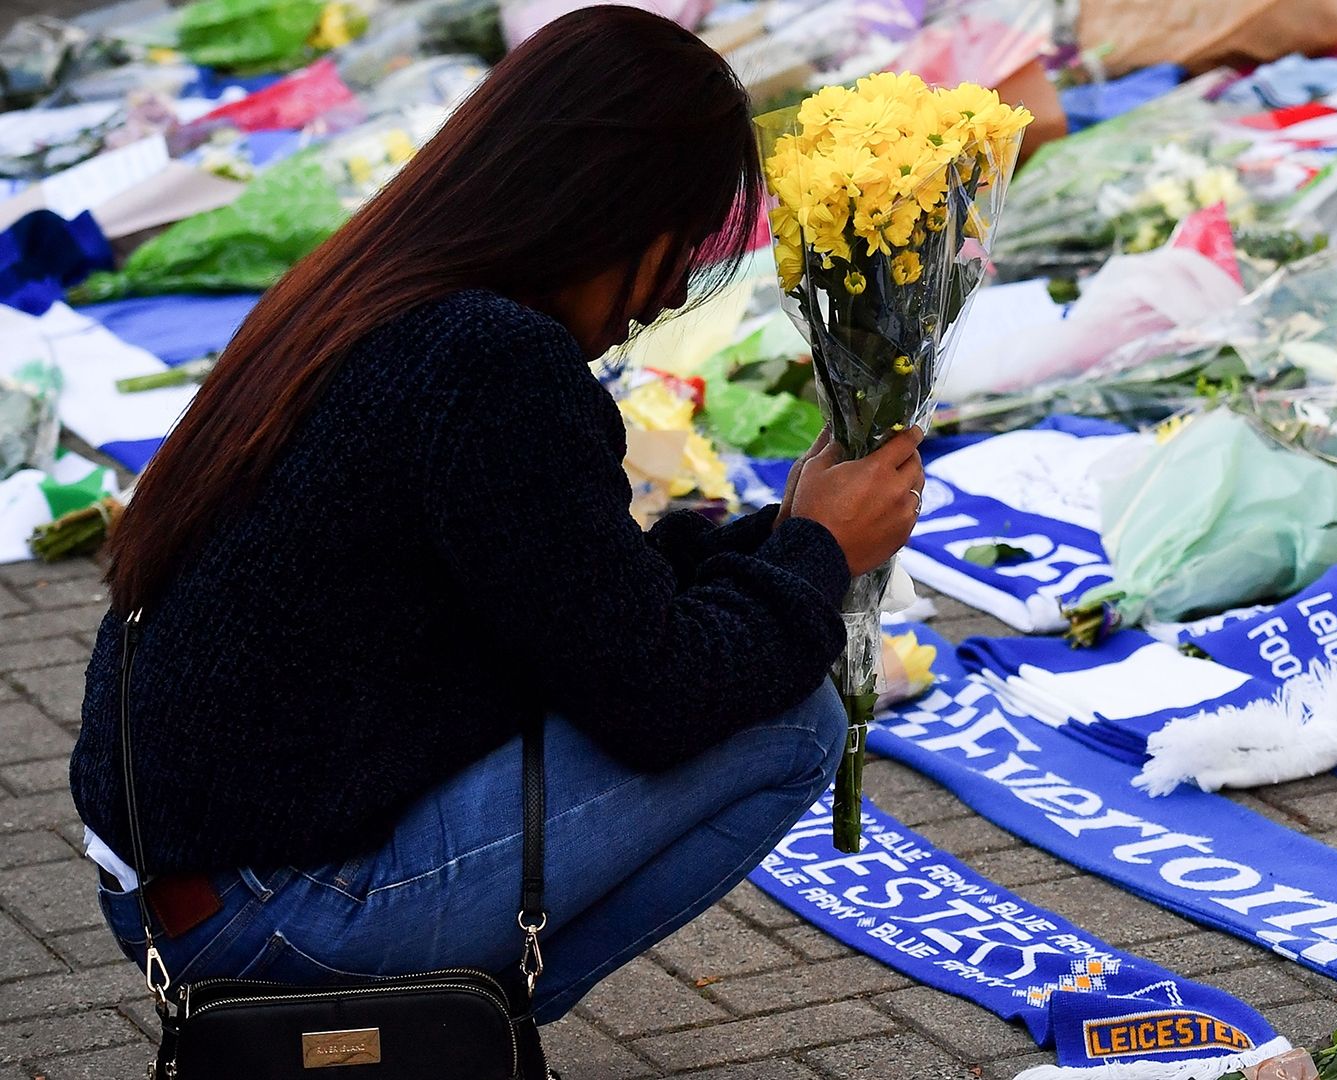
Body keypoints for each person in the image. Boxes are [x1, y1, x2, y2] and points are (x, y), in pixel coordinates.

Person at [66, 6, 924, 1022]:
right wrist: (818, 554)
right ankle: (440, 1034)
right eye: (682, 248)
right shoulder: (491, 360)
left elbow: (572, 598)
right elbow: (660, 699)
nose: (670, 296)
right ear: (609, 207)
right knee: (790, 724)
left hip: (180, 884)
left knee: (730, 670)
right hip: (270, 913)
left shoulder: (369, 289)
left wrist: (784, 538)